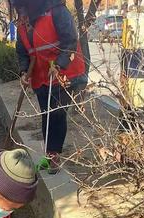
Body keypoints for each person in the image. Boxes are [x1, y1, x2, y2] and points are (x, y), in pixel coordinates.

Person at [14, 0, 87, 173]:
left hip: (64, 74)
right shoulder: (22, 25)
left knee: (57, 113)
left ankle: (54, 155)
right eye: (19, 10)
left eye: (24, 8)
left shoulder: (57, 12)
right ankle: (49, 153)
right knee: (46, 115)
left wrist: (59, 65)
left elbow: (69, 41)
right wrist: (24, 72)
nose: (21, 13)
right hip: (41, 77)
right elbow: (22, 52)